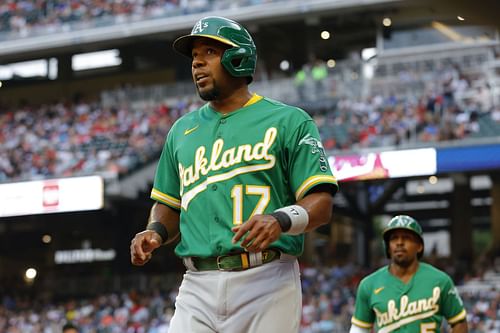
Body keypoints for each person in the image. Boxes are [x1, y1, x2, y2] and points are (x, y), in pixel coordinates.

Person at [130, 16, 338, 333]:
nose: (197, 64)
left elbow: (321, 203)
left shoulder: (288, 120)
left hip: (267, 279)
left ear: (238, 58)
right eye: (194, 57)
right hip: (196, 283)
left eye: (209, 53)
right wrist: (155, 232)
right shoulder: (182, 131)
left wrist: (280, 220)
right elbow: (169, 204)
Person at [349, 215, 468, 333]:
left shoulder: (440, 280)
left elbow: (459, 322)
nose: (399, 242)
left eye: (406, 238)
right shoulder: (369, 284)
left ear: (419, 246)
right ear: (388, 247)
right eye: (394, 238)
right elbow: (360, 328)